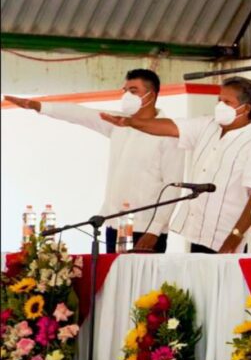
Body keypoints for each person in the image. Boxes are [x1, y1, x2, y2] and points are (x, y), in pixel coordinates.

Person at [4, 69, 183, 253]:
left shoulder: (168, 132)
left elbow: (173, 186)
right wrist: (38, 106)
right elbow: (80, 114)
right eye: (125, 90)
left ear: (150, 95)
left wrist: (155, 230)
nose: (127, 96)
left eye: (133, 90)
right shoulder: (119, 124)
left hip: (145, 229)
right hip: (114, 223)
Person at [101, 76, 251, 253]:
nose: (220, 106)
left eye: (227, 102)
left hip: (229, 239)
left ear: (246, 108)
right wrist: (130, 122)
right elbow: (168, 127)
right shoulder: (207, 125)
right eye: (219, 100)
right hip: (198, 233)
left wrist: (235, 237)